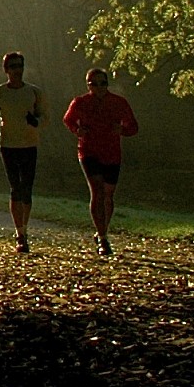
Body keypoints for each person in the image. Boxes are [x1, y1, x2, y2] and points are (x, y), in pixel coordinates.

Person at [62, 67, 139, 258]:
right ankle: (103, 239)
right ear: (88, 85)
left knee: (108, 195)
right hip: (88, 151)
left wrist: (120, 129)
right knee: (96, 190)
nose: (98, 87)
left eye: (102, 83)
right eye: (93, 84)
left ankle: (102, 229)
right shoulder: (80, 102)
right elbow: (68, 120)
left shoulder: (119, 103)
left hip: (112, 153)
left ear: (107, 84)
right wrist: (77, 131)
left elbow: (133, 127)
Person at [0, 51, 47, 255]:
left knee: (27, 189)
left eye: (20, 66)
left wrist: (36, 123)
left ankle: (24, 228)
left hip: (29, 144)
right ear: (6, 70)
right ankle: (21, 233)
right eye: (13, 67)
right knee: (15, 188)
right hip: (8, 144)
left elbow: (45, 116)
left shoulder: (34, 92)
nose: (17, 70)